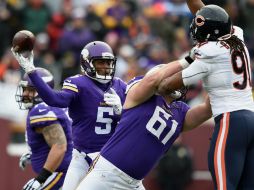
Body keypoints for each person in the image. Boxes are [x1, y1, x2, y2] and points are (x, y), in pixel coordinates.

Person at [157, 1, 254, 189]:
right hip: (250, 117)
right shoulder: (237, 35)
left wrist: (187, 59)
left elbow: (166, 85)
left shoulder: (207, 53)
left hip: (230, 121)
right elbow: (210, 15)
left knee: (225, 185)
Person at [74, 59, 212, 190]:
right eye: (174, 77)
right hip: (108, 173)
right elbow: (152, 80)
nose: (179, 81)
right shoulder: (144, 92)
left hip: (134, 183)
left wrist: (218, 73)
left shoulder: (180, 111)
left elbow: (208, 109)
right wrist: (187, 60)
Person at [12, 41, 127, 190]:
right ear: (87, 63)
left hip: (108, 158)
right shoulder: (79, 83)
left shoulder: (121, 86)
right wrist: (32, 72)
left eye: (108, 63)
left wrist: (122, 111)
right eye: (100, 63)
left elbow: (134, 123)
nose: (105, 67)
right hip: (80, 156)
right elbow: (55, 100)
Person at [16, 68, 73, 190]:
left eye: (30, 90)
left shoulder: (41, 110)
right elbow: (67, 138)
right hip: (70, 169)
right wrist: (34, 153)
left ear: (42, 90)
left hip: (61, 172)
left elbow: (60, 147)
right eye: (24, 89)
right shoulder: (55, 106)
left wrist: (40, 179)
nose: (25, 94)